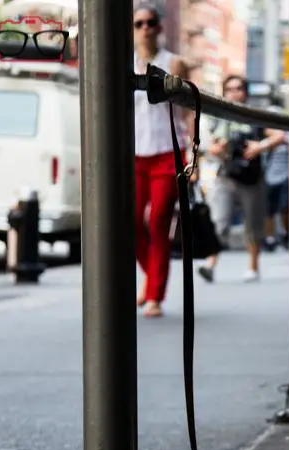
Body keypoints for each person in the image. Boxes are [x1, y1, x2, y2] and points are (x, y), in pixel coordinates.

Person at [131, 0, 193, 318]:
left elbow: (189, 109)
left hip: (169, 152)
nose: (144, 29)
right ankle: (151, 278)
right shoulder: (123, 63)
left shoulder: (175, 63)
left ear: (159, 27)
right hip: (134, 153)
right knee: (128, 223)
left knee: (157, 223)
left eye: (149, 22)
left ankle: (155, 295)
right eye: (138, 23)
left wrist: (194, 151)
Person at [198, 75, 287, 283]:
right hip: (226, 175)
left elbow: (280, 135)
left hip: (251, 178)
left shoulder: (253, 115)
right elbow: (205, 145)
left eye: (238, 88)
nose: (234, 93)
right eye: (229, 89)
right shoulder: (216, 116)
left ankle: (253, 267)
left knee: (253, 224)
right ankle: (210, 264)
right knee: (219, 220)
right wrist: (216, 150)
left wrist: (259, 147)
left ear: (245, 91)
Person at [264, 95, 289, 251]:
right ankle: (270, 238)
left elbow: (282, 137)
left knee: (284, 208)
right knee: (268, 210)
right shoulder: (265, 135)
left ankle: (286, 234)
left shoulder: (284, 135)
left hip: (285, 175)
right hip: (268, 176)